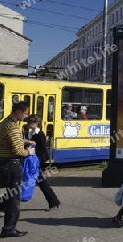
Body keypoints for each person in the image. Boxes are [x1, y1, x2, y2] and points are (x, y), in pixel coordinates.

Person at [0, 101, 35, 238]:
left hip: (3, 163)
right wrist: (29, 152)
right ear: (19, 112)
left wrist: (24, 141)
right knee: (14, 199)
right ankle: (9, 228)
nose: (26, 117)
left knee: (9, 195)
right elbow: (18, 151)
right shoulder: (13, 127)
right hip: (12, 165)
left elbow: (8, 141)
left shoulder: (4, 123)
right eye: (25, 113)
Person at [27, 114, 61, 210]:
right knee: (40, 181)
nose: (28, 124)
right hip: (33, 159)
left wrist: (32, 152)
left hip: (37, 159)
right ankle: (53, 201)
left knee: (35, 180)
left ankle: (5, 206)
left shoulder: (39, 134)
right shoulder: (31, 133)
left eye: (30, 122)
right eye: (28, 122)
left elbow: (42, 149)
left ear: (36, 123)